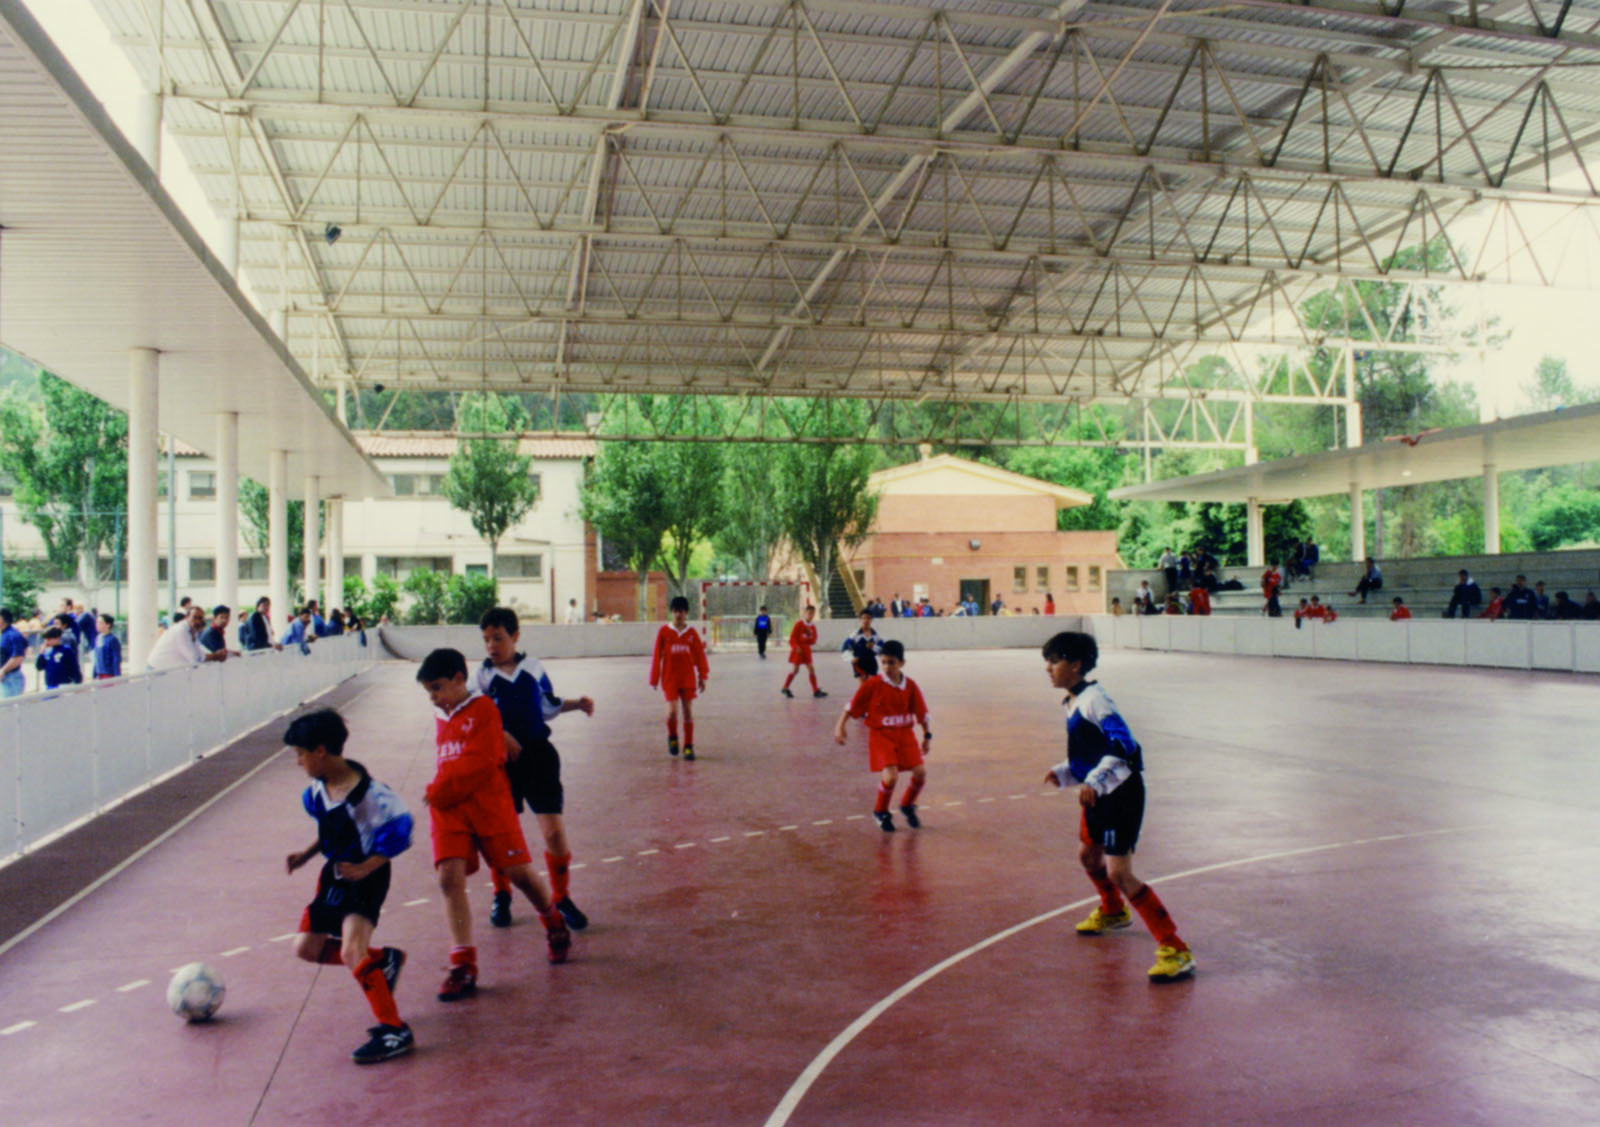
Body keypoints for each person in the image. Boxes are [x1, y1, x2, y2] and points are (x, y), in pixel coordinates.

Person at [416, 647, 572, 1001]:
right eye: (429, 693)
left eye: (438, 689)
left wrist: (438, 789)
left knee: (519, 875)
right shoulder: (443, 714)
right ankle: (463, 964)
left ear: (460, 679)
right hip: (450, 806)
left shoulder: (484, 708)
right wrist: (442, 792)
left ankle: (553, 922)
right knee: (448, 877)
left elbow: (482, 761)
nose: (435, 699)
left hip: (488, 803)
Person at [1038, 631, 1194, 982]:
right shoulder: (1073, 702)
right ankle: (1112, 911)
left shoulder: (1095, 700)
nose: (1048, 668)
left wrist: (1094, 780)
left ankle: (1175, 948)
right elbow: (1093, 750)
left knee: (1119, 873)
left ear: (1075, 665)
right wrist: (1066, 771)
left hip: (1119, 793)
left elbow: (1124, 743)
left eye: (1054, 661)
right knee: (1088, 857)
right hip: (1099, 791)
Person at [282, 709, 415, 1064]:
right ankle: (384, 960)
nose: (298, 762)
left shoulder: (373, 797)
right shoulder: (316, 792)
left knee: (350, 950)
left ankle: (393, 1030)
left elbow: (401, 836)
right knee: (306, 948)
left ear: (320, 751)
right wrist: (308, 854)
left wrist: (366, 866)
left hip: (366, 877)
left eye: (299, 754)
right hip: (334, 875)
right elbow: (330, 831)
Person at [475, 607, 595, 932]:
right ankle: (501, 894)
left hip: (539, 757)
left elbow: (547, 705)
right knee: (502, 835)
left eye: (498, 638)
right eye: (486, 639)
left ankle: (562, 896)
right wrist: (500, 735)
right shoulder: (482, 677)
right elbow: (474, 719)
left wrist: (576, 703)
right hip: (501, 765)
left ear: (515, 636)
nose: (491, 645)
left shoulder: (533, 668)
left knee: (553, 832)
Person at [834, 639, 931, 833]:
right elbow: (853, 705)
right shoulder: (874, 684)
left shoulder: (910, 686)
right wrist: (840, 726)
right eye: (884, 662)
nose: (886, 667)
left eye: (891, 663)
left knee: (920, 773)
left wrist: (927, 736)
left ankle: (907, 805)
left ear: (902, 663)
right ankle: (881, 811)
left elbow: (922, 712)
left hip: (905, 734)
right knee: (890, 777)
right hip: (881, 735)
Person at [650, 595, 710, 759]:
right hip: (670, 678)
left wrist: (702, 676)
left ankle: (689, 746)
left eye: (682, 611)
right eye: (676, 611)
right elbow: (657, 656)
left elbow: (700, 656)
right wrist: (654, 678)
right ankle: (673, 737)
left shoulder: (691, 634)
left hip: (688, 678)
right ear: (671, 612)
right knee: (671, 712)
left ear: (687, 613)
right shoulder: (664, 632)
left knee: (688, 712)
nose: (678, 615)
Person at [148, 604, 229, 670]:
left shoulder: (192, 631)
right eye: (194, 617)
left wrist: (216, 655)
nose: (198, 621)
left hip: (168, 673)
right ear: (187, 617)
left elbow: (199, 650)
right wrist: (215, 656)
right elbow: (194, 659)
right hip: (156, 672)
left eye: (200, 618)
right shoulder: (180, 631)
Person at [780, 604, 826, 700]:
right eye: (809, 613)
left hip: (806, 650)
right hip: (798, 650)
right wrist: (795, 646)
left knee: (811, 669)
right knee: (796, 670)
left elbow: (813, 641)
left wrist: (809, 635)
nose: (811, 616)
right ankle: (785, 687)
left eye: (813, 614)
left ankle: (815, 690)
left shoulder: (812, 627)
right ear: (805, 613)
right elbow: (792, 638)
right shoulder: (799, 624)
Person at [841, 610, 884, 679]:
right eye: (864, 618)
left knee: (872, 686)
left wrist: (874, 647)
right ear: (860, 619)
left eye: (868, 618)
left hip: (871, 663)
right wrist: (851, 658)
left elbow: (883, 650)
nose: (866, 620)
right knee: (863, 687)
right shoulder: (855, 634)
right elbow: (844, 648)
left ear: (872, 620)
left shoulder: (876, 636)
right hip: (859, 663)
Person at [0, 608, 27, 699]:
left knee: (10, 709)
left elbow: (18, 657)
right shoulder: (5, 634)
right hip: (6, 677)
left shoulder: (12, 635)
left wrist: (3, 670)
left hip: (11, 678)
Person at [93, 614, 122, 679]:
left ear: (108, 625)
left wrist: (117, 676)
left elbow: (116, 659)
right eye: (97, 622)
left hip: (109, 674)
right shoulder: (97, 638)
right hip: (99, 674)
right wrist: (94, 674)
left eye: (100, 623)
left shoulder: (112, 639)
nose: (97, 625)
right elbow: (96, 658)